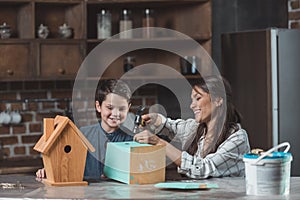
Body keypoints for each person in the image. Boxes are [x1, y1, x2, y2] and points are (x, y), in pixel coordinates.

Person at [134, 75, 250, 179]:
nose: (191, 105)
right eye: (192, 100)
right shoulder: (198, 128)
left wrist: (159, 143)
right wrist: (157, 120)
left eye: (198, 98)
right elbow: (174, 127)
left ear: (218, 100)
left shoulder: (238, 138)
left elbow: (202, 169)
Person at [36, 79, 133, 181]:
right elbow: (66, 163)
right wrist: (50, 171)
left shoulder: (132, 140)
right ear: (98, 106)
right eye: (110, 107)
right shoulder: (82, 134)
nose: (116, 114)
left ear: (128, 108)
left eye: (121, 109)